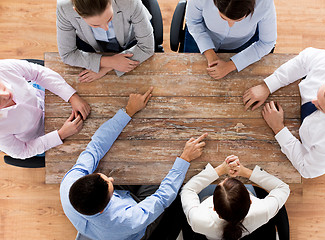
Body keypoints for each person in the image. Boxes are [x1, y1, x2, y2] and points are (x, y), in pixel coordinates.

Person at [60, 86, 208, 240]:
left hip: (117, 207)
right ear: (104, 209)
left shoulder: (70, 183)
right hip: (137, 228)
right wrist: (185, 158)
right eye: (110, 186)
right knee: (172, 184)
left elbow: (95, 146)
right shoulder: (128, 221)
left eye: (103, 177)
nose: (111, 179)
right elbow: (162, 198)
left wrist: (128, 111)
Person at [243, 47, 325, 178]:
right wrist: (268, 85)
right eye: (319, 93)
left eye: (322, 108)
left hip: (323, 153)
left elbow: (306, 169)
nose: (313, 101)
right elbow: (303, 61)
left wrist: (278, 128)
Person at [180, 155, 290, 240]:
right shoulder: (263, 211)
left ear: (213, 208)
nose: (225, 178)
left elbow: (187, 190)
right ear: (250, 201)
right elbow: (283, 188)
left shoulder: (198, 220)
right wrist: (245, 172)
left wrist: (220, 170)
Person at [0, 59, 90, 159]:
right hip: (41, 137)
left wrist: (71, 96)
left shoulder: (2, 68)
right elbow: (22, 151)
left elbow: (38, 73)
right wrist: (60, 135)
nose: (6, 94)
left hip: (42, 95)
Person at [56, 0, 154, 82]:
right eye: (95, 25)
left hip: (130, 39)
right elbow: (67, 54)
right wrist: (110, 61)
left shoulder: (128, 1)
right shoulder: (64, 8)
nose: (105, 28)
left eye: (109, 19)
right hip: (91, 43)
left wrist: (105, 68)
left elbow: (146, 47)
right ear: (76, 12)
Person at [184, 0, 276, 79]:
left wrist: (231, 66)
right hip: (201, 34)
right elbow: (193, 22)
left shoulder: (265, 3)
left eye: (238, 20)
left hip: (243, 43)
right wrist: (209, 53)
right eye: (223, 17)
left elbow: (267, 43)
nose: (230, 25)